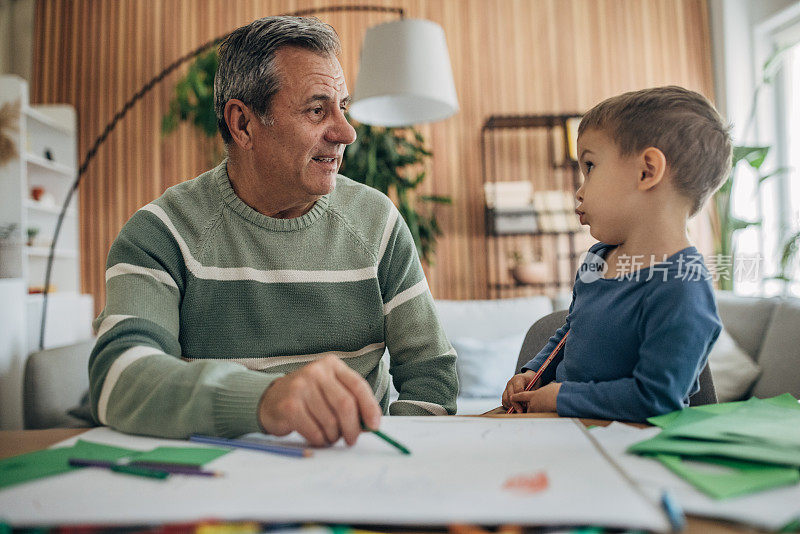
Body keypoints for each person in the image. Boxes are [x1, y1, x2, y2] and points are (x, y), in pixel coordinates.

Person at [88, 16, 458, 445]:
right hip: (214, 484)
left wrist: (386, 462)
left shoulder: (378, 222)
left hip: (353, 475)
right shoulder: (161, 233)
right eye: (317, 110)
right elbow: (120, 377)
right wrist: (264, 400)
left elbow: (431, 373)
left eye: (343, 107)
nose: (346, 132)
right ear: (243, 124)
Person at [502, 86, 731, 422]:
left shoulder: (684, 286)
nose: (579, 191)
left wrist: (564, 396)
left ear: (647, 170)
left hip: (627, 448)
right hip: (565, 429)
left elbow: (656, 399)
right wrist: (534, 373)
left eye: (590, 166)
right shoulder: (597, 259)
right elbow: (570, 332)